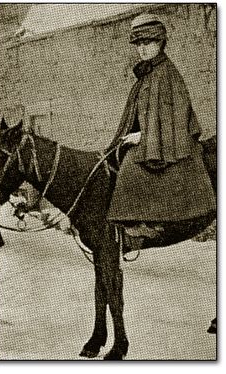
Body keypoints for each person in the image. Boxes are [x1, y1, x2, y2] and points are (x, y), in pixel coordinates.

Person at [106, 13, 216, 238]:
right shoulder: (149, 73)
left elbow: (175, 118)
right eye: (138, 44)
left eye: (148, 43)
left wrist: (143, 137)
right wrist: (133, 134)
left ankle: (146, 224)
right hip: (153, 138)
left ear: (161, 42)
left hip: (170, 142)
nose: (142, 49)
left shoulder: (167, 74)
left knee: (132, 166)